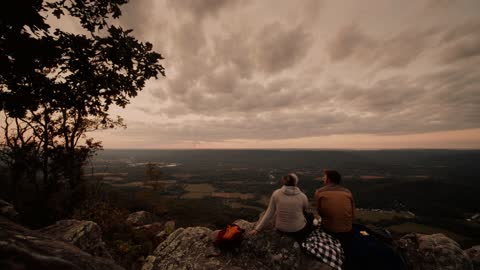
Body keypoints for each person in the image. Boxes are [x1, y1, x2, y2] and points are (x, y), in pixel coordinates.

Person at [249, 173, 309, 242]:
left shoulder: (276, 193)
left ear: (284, 181)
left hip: (281, 229)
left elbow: (269, 213)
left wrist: (257, 229)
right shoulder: (303, 196)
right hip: (297, 229)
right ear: (296, 182)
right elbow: (305, 209)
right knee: (309, 217)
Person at [315, 169, 355, 246]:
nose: (323, 178)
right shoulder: (347, 192)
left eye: (324, 176)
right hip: (348, 228)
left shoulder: (319, 192)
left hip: (329, 229)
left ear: (328, 179)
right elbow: (353, 213)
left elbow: (320, 211)